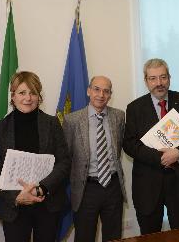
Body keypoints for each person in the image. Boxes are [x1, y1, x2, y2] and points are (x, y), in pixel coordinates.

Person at [0, 71, 71, 242]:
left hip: (47, 203)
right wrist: (17, 196)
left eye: (33, 92)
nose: (28, 98)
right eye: (22, 92)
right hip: (14, 206)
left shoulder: (52, 123)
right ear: (13, 96)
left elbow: (64, 162)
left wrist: (42, 189)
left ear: (39, 96)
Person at [123, 58, 179, 234]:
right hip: (148, 185)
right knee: (150, 237)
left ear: (169, 78)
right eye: (153, 78)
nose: (159, 83)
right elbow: (129, 144)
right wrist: (162, 157)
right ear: (146, 81)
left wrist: (178, 152)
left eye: (163, 77)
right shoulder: (135, 108)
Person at [62, 76, 126, 242]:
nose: (101, 94)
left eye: (106, 91)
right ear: (89, 91)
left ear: (110, 94)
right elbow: (66, 157)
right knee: (84, 237)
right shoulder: (72, 120)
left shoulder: (119, 116)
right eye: (97, 89)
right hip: (86, 189)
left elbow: (117, 149)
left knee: (114, 237)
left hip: (113, 186)